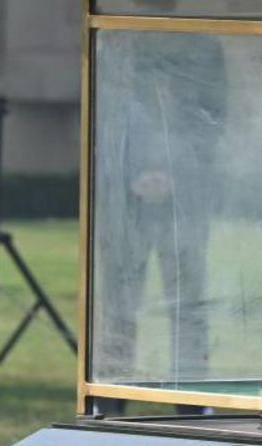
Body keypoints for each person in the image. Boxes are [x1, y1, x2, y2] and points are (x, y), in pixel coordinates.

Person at [94, 17, 226, 416]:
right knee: (119, 302)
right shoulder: (115, 42)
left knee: (188, 301)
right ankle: (109, 393)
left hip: (184, 201)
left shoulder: (203, 49)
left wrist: (174, 176)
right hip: (126, 200)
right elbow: (104, 118)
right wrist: (131, 175)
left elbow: (213, 120)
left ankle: (192, 397)